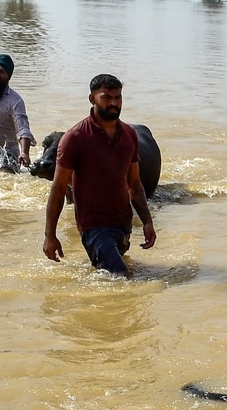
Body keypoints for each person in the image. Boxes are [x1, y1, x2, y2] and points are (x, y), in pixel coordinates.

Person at [41, 74, 156, 277]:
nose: (113, 103)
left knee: (111, 275)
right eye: (107, 97)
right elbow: (58, 189)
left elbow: (135, 184)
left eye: (118, 97)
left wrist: (147, 222)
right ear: (92, 99)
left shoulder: (129, 135)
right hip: (93, 227)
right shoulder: (75, 138)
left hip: (122, 225)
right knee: (122, 276)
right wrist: (50, 235)